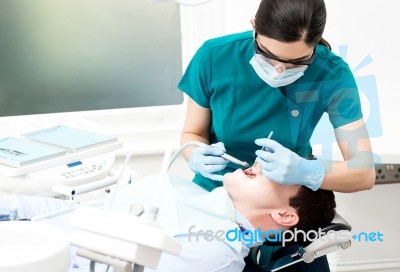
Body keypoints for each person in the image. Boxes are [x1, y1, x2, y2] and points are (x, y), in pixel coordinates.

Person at [179, 1, 374, 269]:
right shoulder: (214, 57)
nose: (280, 69)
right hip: (215, 203)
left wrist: (306, 171)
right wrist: (194, 153)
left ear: (315, 45)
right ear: (254, 28)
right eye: (267, 54)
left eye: (297, 61)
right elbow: (193, 132)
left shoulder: (332, 74)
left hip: (282, 216)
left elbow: (363, 172)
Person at [0, 163, 336, 272]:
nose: (262, 164)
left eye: (281, 172)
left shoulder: (215, 251)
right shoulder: (188, 194)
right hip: (27, 232)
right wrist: (13, 207)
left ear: (284, 215)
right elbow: (75, 213)